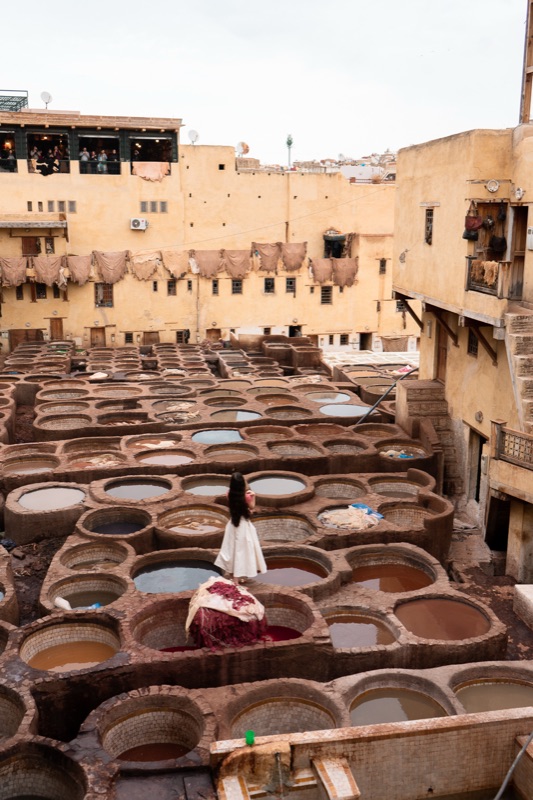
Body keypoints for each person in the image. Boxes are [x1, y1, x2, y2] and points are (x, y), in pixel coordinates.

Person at [215, 472, 267, 583]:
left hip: (232, 524)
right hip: (243, 527)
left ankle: (233, 576)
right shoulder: (247, 497)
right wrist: (253, 496)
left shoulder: (228, 494)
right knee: (241, 552)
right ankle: (236, 581)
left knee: (231, 550)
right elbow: (252, 507)